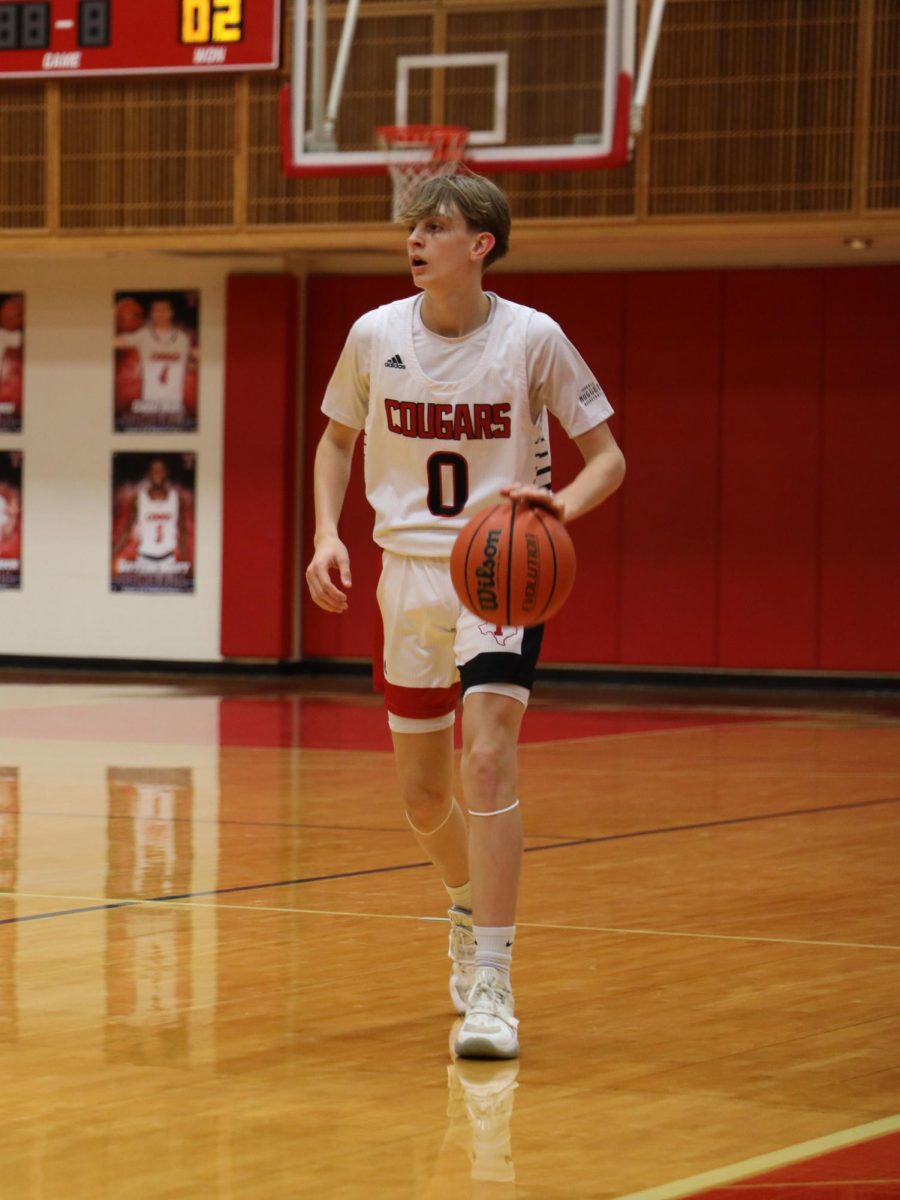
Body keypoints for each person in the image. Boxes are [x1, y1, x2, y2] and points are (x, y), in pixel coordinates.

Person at [305, 172, 625, 1059]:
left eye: (434, 226)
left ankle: (494, 979)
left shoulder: (533, 339)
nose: (415, 239)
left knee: (486, 760)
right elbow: (336, 439)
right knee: (422, 794)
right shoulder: (374, 335)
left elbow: (606, 460)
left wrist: (559, 510)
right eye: (412, 226)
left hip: (498, 575)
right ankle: (460, 898)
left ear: (480, 244)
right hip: (406, 574)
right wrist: (327, 534)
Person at [114, 298, 197, 420]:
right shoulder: (143, 335)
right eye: (156, 310)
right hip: (149, 405)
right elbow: (113, 342)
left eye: (164, 309)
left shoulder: (183, 339)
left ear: (171, 312)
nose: (160, 313)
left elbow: (194, 359)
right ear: (152, 314)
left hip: (175, 405)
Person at [113, 457, 190, 577]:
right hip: (144, 560)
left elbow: (182, 532)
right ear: (149, 473)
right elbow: (127, 531)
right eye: (154, 470)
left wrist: (186, 562)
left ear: (166, 473)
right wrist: (111, 555)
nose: (157, 473)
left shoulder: (176, 498)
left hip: (168, 560)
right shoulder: (138, 498)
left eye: (160, 470)